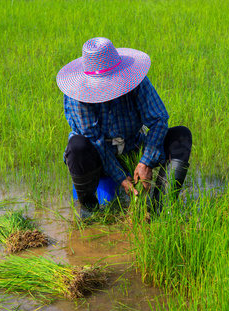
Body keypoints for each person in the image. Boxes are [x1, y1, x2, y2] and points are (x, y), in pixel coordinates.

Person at [56, 37, 192, 219]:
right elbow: (95, 141)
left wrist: (146, 162)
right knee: (77, 146)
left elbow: (159, 119)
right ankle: (90, 210)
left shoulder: (136, 83)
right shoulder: (77, 95)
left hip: (132, 148)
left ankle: (160, 210)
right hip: (98, 157)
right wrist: (121, 178)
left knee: (181, 135)